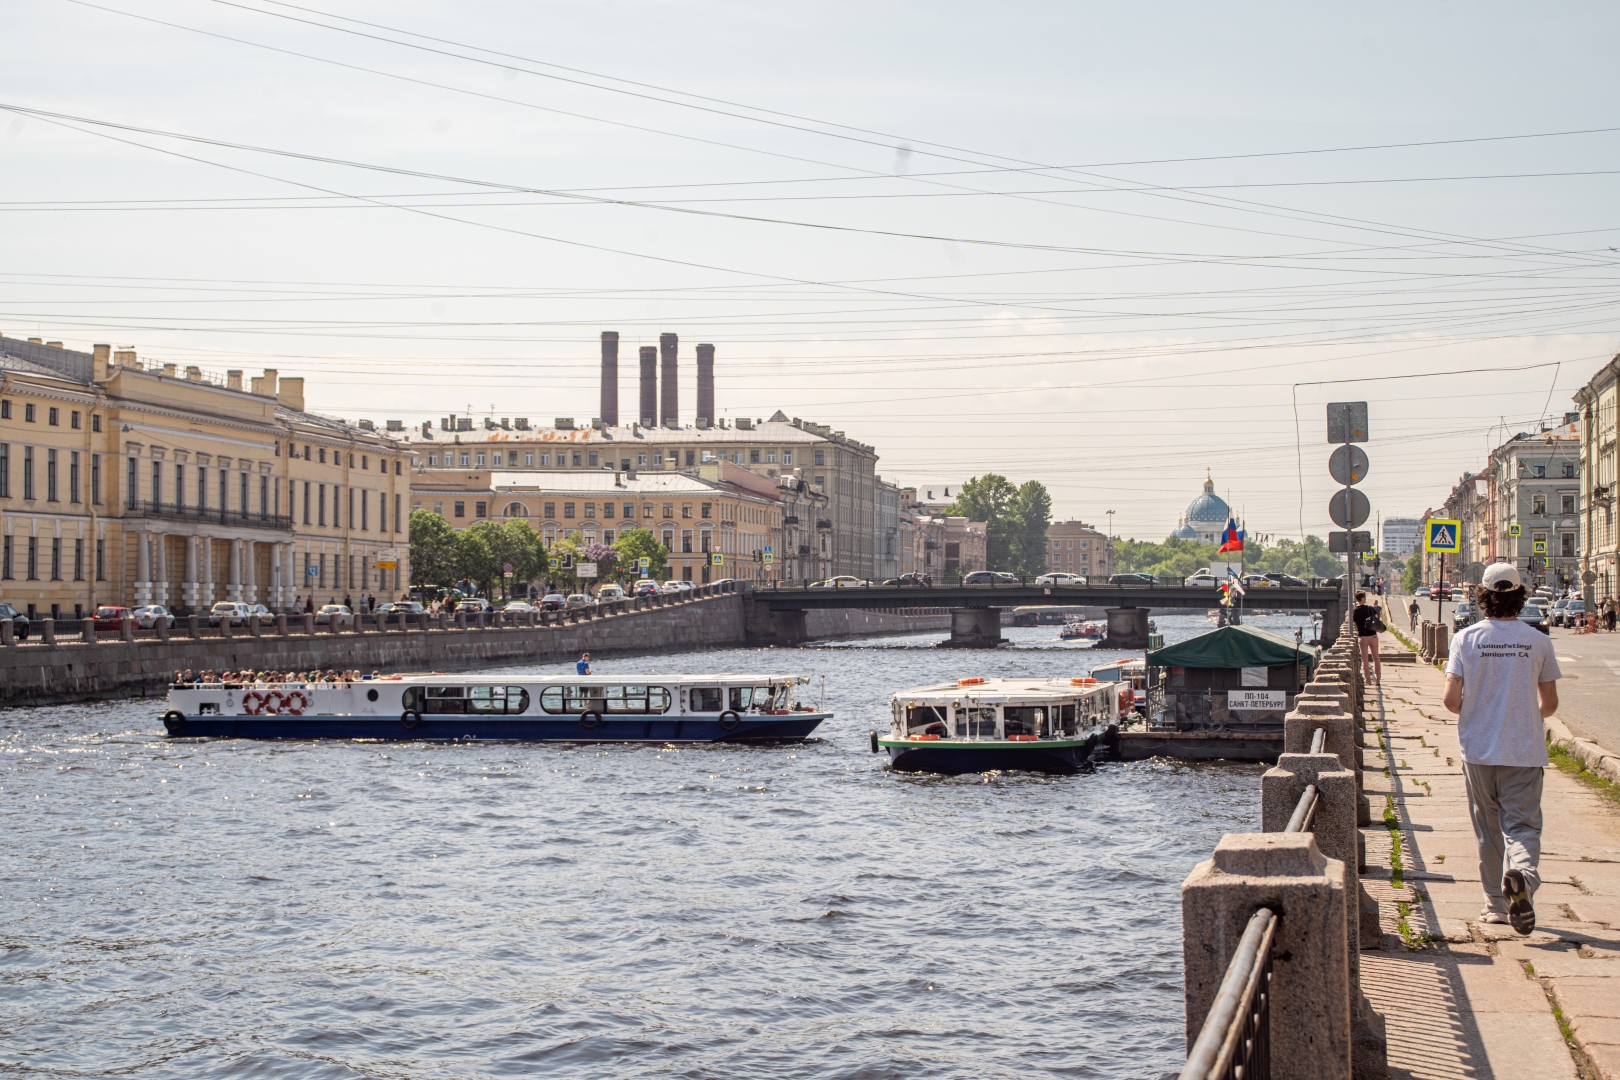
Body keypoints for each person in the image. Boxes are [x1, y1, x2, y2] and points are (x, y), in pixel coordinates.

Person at [1442, 562, 1560, 935]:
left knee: (1488, 829)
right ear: (1520, 596)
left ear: (1483, 596)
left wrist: (1481, 711)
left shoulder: (1466, 639)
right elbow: (1550, 704)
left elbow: (1451, 700)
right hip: (1524, 749)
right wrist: (1521, 716)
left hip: (1478, 749)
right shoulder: (1538, 641)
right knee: (1522, 825)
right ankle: (1523, 875)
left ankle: (1494, 905)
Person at [1352, 591, 1383, 685]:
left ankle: (1368, 680)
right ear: (1362, 599)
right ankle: (1377, 679)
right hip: (1373, 636)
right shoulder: (1370, 608)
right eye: (1364, 597)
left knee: (1364, 659)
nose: (1365, 599)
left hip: (1362, 637)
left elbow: (1355, 625)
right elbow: (1376, 618)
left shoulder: (1355, 611)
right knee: (1376, 658)